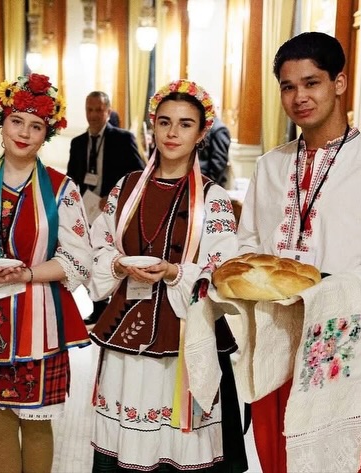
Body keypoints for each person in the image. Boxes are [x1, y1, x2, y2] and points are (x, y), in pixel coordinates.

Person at [237, 32, 361, 472]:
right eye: (288, 86)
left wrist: (327, 287)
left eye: (311, 83)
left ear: (339, 83)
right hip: (273, 327)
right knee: (273, 449)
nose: (299, 97)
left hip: (338, 332)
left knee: (329, 453)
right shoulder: (270, 165)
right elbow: (246, 246)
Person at [87, 79, 247, 472]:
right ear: (152, 127)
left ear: (201, 133)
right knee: (127, 447)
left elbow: (222, 272)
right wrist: (116, 264)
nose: (173, 133)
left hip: (185, 337)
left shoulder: (213, 199)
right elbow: (98, 245)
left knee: (179, 447)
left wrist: (175, 272)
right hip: (127, 334)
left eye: (185, 124)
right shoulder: (126, 188)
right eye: (164, 122)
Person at [0, 73, 92, 473]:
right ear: (2, 123)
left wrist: (28, 274)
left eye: (36, 126)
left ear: (47, 134)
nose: (24, 133)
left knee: (38, 425)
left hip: (40, 323)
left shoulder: (62, 189)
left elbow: (79, 259)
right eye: (17, 121)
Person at [67, 91, 144, 325]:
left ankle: (117, 307)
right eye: (89, 109)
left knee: (114, 259)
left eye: (99, 110)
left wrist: (113, 196)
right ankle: (98, 308)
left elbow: (138, 175)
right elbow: (71, 179)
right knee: (90, 258)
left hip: (113, 212)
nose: (93, 115)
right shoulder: (78, 143)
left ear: (108, 112)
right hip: (87, 211)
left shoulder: (123, 139)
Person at [198, 115, 230, 187]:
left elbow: (219, 162)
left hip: (208, 183)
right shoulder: (205, 126)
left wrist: (209, 185)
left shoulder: (219, 129)